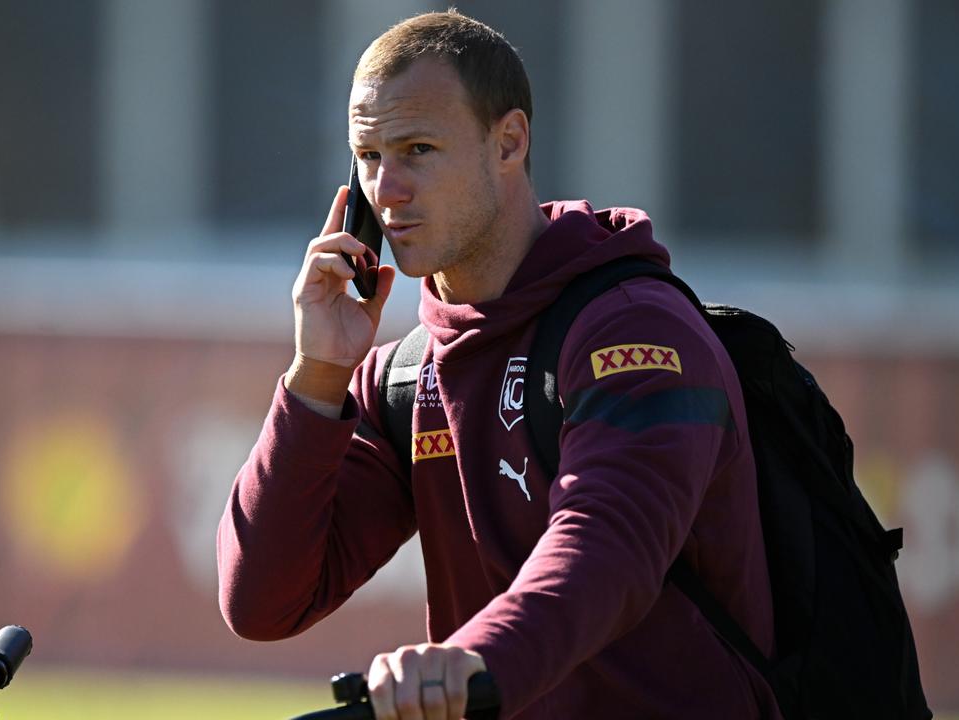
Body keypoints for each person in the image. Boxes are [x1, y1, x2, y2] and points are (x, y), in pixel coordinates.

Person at [217, 10, 781, 720]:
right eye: (367, 157)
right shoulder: (403, 374)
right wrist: (317, 374)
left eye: (417, 149)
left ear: (509, 142)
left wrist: (474, 659)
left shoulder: (633, 329)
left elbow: (608, 545)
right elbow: (262, 601)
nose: (385, 191)